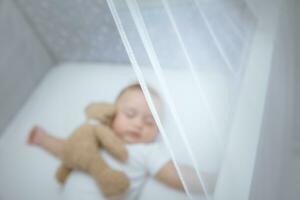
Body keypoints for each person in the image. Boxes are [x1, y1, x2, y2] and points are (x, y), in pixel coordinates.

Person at [27, 83, 205, 200]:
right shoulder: (97, 135)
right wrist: (44, 139)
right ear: (112, 113)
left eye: (149, 121)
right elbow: (68, 150)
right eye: (130, 114)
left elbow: (175, 174)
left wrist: (212, 181)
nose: (138, 124)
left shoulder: (146, 151)